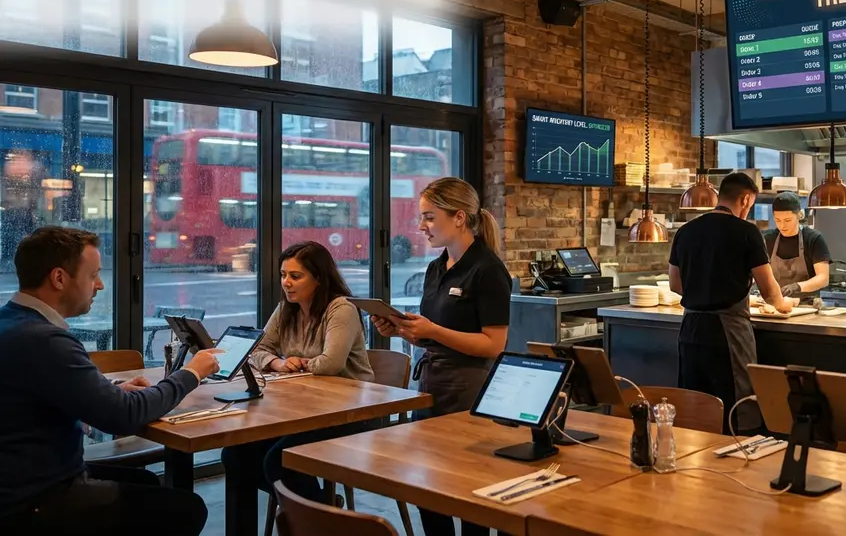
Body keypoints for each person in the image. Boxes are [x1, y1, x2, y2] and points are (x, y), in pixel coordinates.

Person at [0, 227, 221, 536]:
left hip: (18, 482)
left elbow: (46, 396)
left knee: (145, 482)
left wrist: (110, 391)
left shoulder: (11, 321)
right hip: (36, 500)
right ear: (59, 278)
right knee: (188, 510)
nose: (100, 285)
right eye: (93, 275)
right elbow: (124, 415)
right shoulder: (45, 340)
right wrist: (191, 373)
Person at [371, 177, 509, 536]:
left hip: (469, 391)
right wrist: (401, 330)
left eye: (429, 217)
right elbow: (433, 334)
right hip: (430, 385)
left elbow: (493, 345)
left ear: (459, 217)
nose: (420, 227)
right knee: (429, 489)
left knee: (467, 495)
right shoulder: (436, 268)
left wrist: (432, 331)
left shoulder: (488, 270)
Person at [222, 241, 374, 505]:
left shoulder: (341, 308)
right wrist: (277, 363)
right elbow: (257, 350)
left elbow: (330, 364)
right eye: (283, 275)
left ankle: (317, 515)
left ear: (318, 278)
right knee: (236, 454)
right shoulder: (286, 309)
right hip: (304, 409)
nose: (286, 283)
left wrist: (300, 363)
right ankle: (318, 505)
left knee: (278, 461)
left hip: (348, 412)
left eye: (295, 276)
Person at [669, 172, 793, 435]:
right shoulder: (747, 232)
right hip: (727, 333)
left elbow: (675, 285)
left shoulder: (686, 231)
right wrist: (782, 304)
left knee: (696, 407)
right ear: (746, 199)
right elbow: (769, 289)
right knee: (735, 411)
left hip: (689, 328)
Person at [761, 192, 832, 302]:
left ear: (799, 215)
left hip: (807, 306)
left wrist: (797, 286)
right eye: (777, 220)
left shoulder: (813, 239)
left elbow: (823, 278)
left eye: (787, 220)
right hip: (777, 304)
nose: (782, 225)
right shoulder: (768, 239)